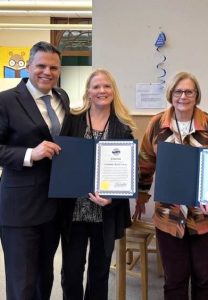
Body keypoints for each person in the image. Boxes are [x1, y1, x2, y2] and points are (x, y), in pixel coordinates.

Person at [133, 72, 208, 300]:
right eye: (178, 91)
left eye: (189, 91)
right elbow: (146, 161)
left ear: (197, 95)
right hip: (169, 215)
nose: (183, 96)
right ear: (171, 94)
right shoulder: (157, 123)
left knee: (204, 278)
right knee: (174, 279)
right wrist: (141, 195)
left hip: (207, 216)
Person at [0, 41, 70, 299]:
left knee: (44, 277)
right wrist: (31, 153)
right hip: (20, 208)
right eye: (41, 66)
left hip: (54, 206)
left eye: (53, 67)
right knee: (22, 282)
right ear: (28, 67)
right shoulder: (6, 101)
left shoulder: (62, 97)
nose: (47, 72)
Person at [59, 69, 135, 300]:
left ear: (113, 91)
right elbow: (63, 160)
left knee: (99, 273)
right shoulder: (73, 120)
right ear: (88, 92)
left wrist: (113, 197)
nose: (102, 91)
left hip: (106, 211)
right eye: (96, 87)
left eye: (107, 86)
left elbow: (128, 173)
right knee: (71, 272)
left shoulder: (123, 127)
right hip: (75, 210)